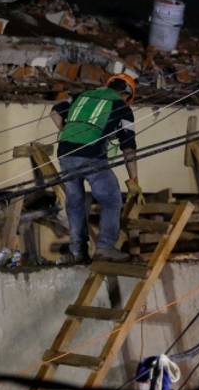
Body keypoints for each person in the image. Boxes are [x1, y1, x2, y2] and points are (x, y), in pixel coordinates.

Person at [50, 74, 140, 263]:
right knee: (111, 199)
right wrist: (134, 179)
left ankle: (78, 252)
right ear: (127, 95)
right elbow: (128, 147)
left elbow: (55, 112)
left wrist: (66, 132)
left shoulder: (82, 96)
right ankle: (105, 248)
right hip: (92, 156)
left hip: (65, 154)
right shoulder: (122, 108)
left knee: (75, 202)